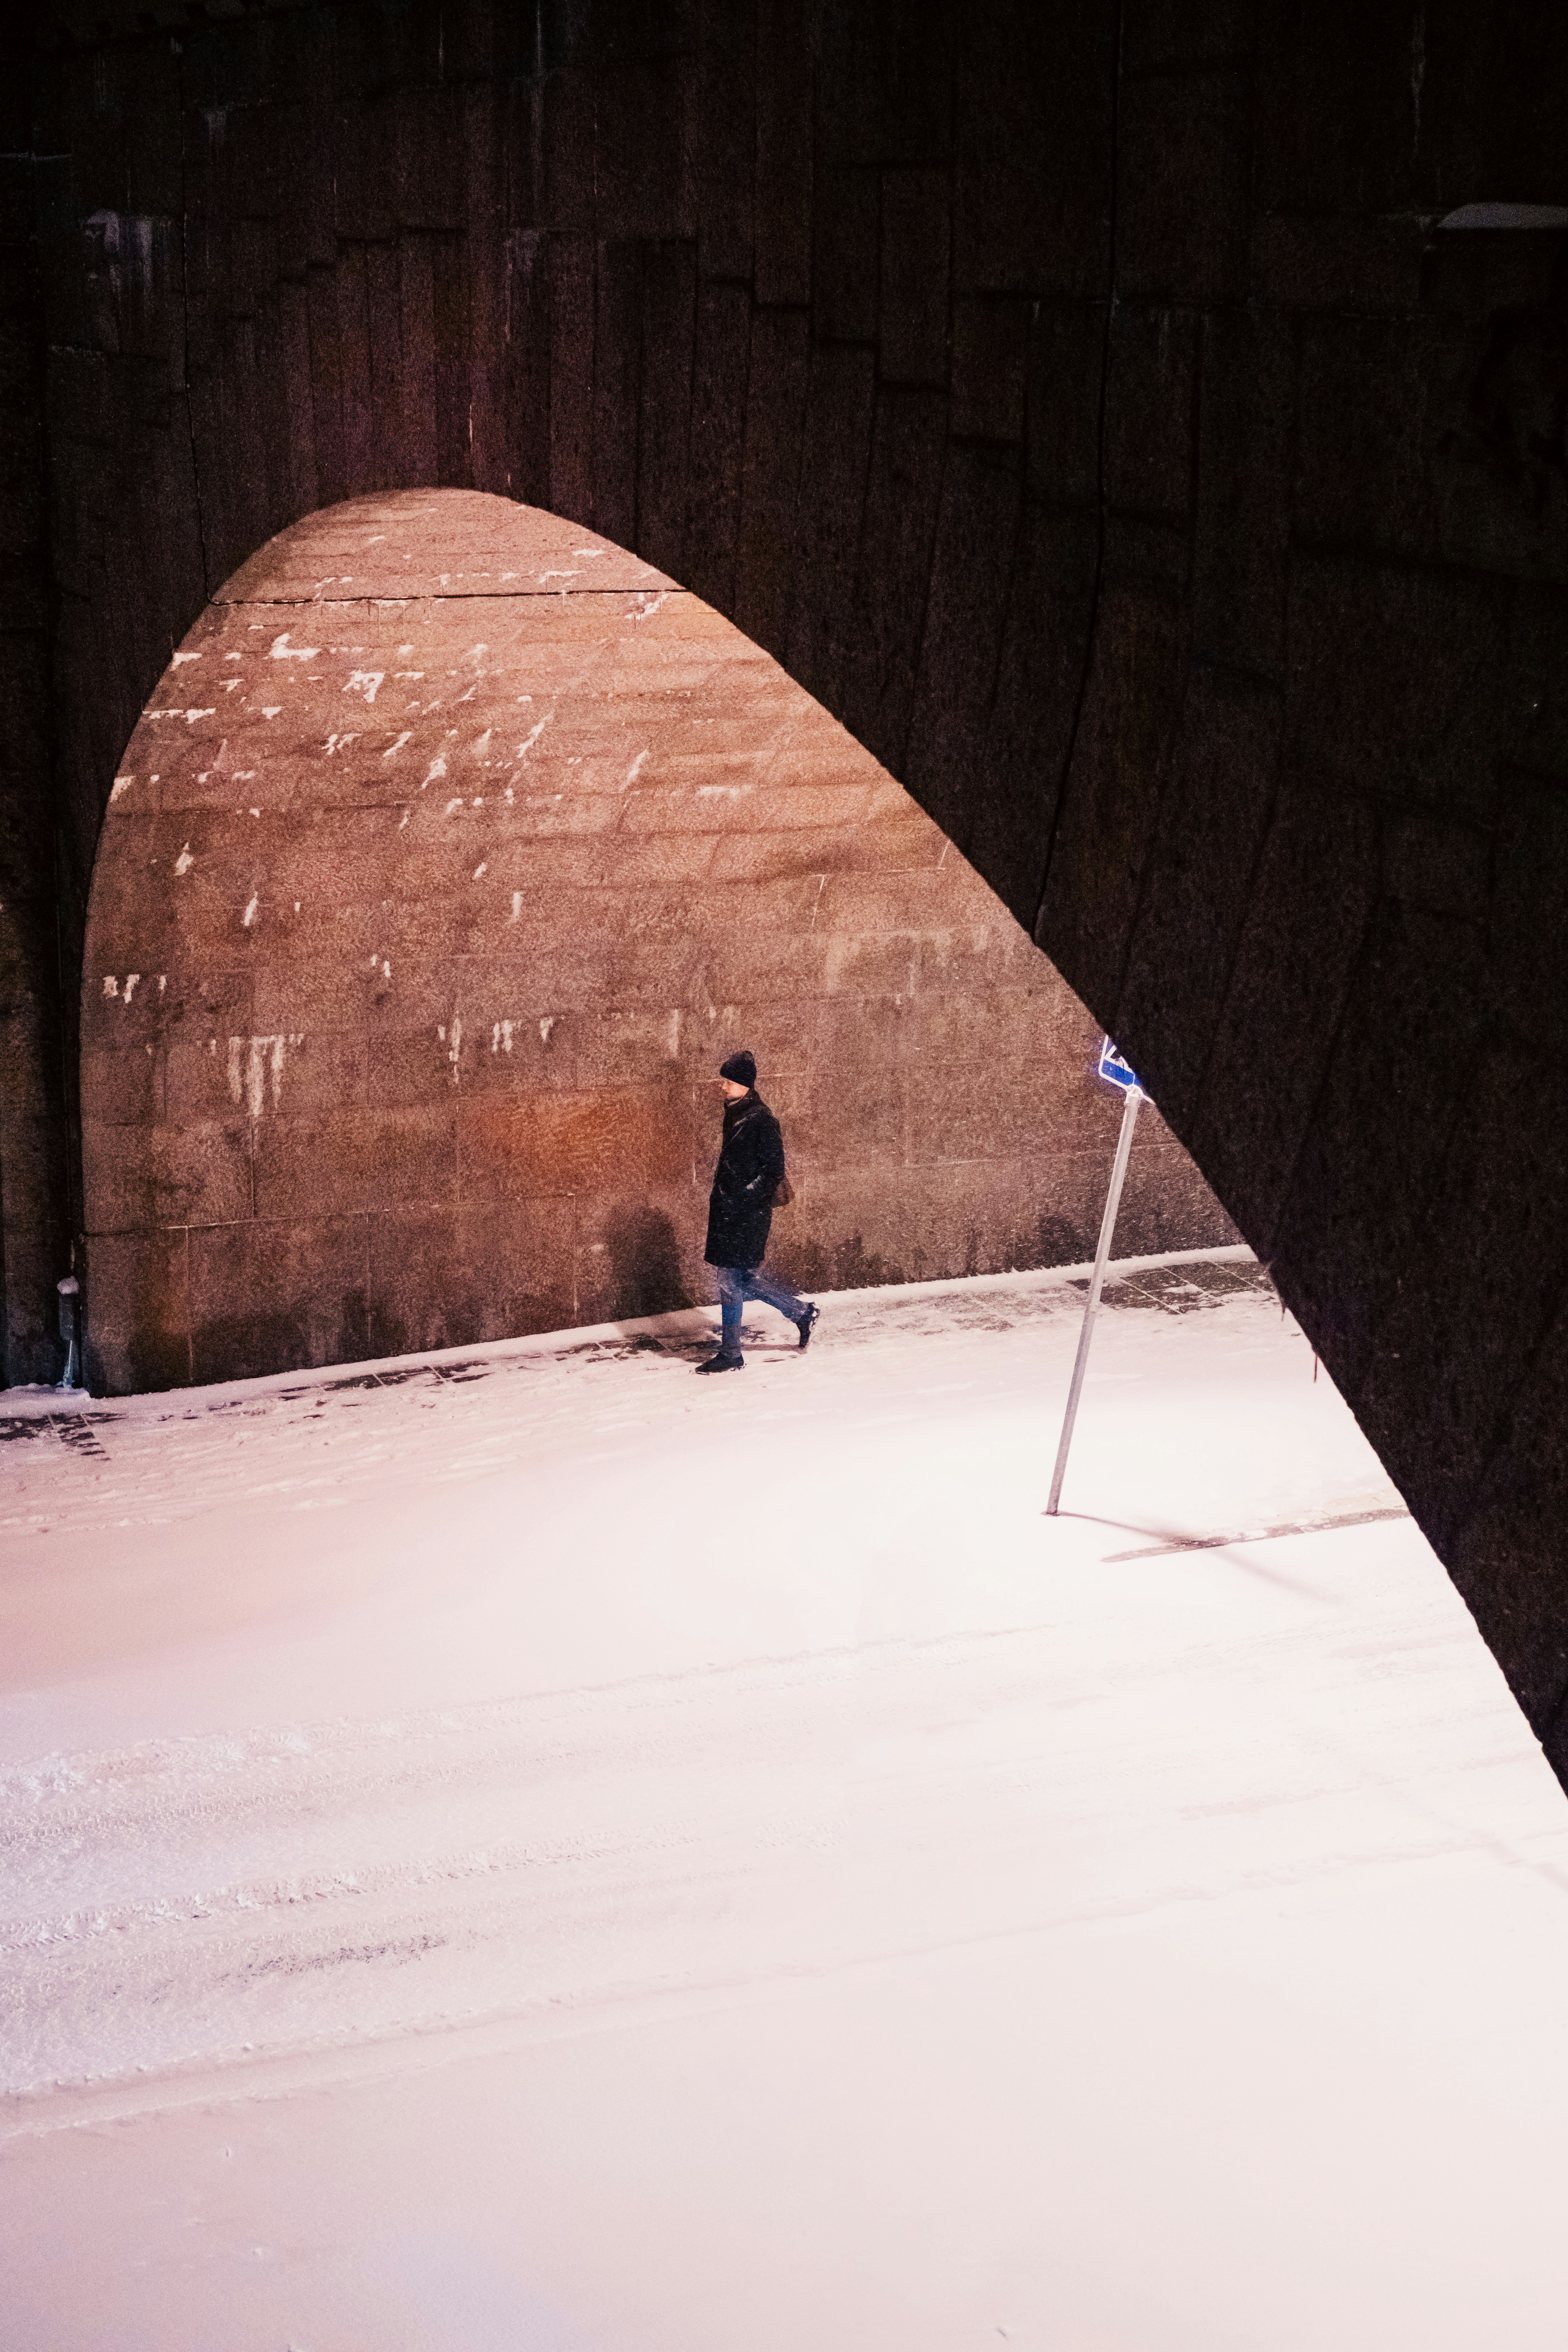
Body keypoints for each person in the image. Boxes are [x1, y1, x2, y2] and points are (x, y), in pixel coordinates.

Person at [697, 1050, 819, 1373]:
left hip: (747, 1214)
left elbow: (774, 1170)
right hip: (729, 1211)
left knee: (729, 1279)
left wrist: (741, 1197)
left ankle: (732, 1354)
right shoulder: (735, 1112)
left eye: (729, 1082)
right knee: (743, 1279)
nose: (723, 1087)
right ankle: (802, 1313)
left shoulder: (762, 1119)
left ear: (744, 1085)